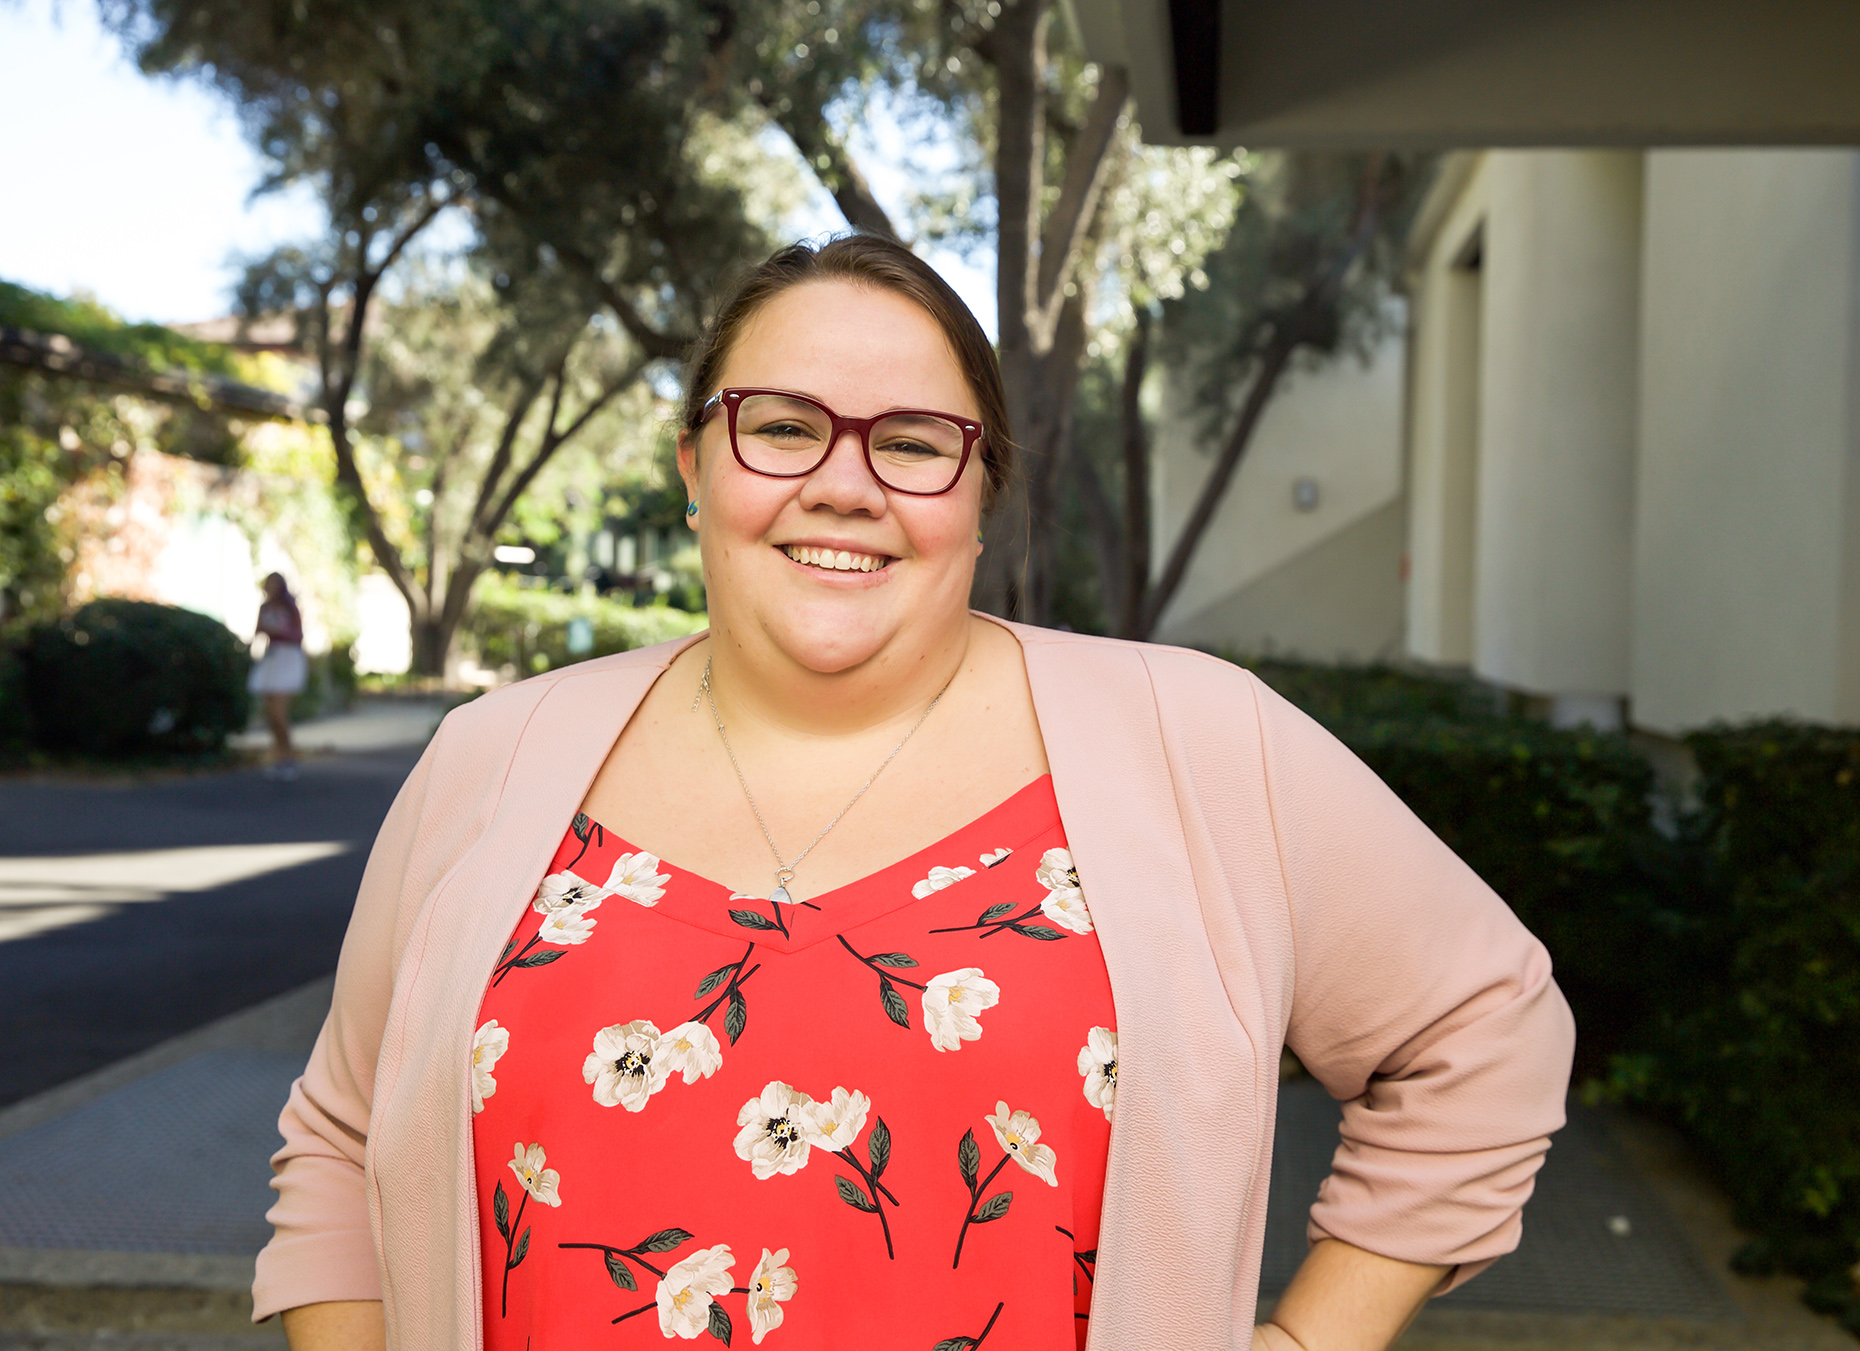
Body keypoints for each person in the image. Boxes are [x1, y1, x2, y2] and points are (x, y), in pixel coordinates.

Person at [255, 236, 1573, 1351]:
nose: (843, 481)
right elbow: (340, 1135)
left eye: (913, 442)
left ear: (983, 488)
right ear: (694, 466)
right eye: (779, 426)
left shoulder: (1197, 737)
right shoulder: (491, 756)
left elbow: (1485, 1032)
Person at [249, 572, 308, 779]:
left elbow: (298, 635)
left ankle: (289, 757)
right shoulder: (264, 607)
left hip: (288, 659)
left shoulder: (290, 607)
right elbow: (257, 632)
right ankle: (280, 755)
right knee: (271, 714)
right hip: (271, 659)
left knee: (279, 713)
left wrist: (278, 631)